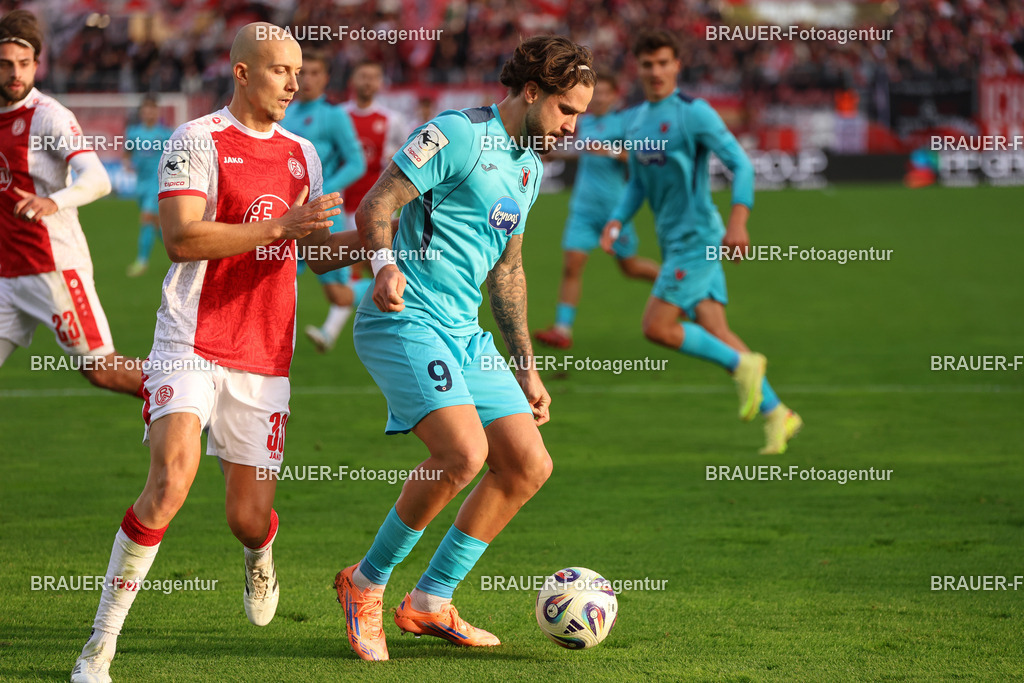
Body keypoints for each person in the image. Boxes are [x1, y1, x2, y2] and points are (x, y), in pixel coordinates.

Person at [71, 23, 361, 683]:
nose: (294, 83)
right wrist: (280, 224)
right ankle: (98, 649)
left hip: (265, 354)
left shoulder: (303, 155)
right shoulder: (196, 139)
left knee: (247, 516)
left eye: (298, 71)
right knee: (170, 480)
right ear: (241, 72)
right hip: (190, 341)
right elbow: (181, 238)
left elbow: (310, 252)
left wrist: (375, 245)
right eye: (280, 70)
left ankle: (260, 555)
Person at [335, 35, 595, 661]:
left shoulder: (530, 166)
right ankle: (363, 584)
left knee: (529, 465)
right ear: (531, 92)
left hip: (464, 333)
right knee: (463, 454)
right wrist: (382, 265)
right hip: (403, 320)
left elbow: (507, 270)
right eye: (567, 110)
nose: (572, 127)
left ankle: (429, 601)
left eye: (581, 116)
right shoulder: (457, 136)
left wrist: (527, 369)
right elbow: (378, 203)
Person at [601, 31, 802, 455]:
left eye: (662, 63)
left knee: (657, 327)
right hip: (674, 241)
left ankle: (743, 364)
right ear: (638, 69)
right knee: (714, 327)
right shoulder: (635, 120)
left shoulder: (695, 114)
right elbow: (638, 182)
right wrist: (616, 221)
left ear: (677, 66)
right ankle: (778, 414)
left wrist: (739, 222)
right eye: (647, 64)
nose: (655, 71)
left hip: (699, 239)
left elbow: (741, 166)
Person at [0, 9, 143, 397]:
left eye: (24, 64)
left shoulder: (49, 117)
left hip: (54, 268)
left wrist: (52, 201)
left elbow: (97, 179)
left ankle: (196, 396)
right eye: (6, 64)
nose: (16, 73)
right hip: (7, 276)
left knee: (104, 371)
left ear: (36, 65)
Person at [534, 71, 659, 349]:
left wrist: (612, 152)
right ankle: (562, 330)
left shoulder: (625, 123)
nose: (600, 97)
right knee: (571, 267)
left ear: (615, 96)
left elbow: (644, 158)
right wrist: (554, 151)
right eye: (596, 93)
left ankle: (676, 287)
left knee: (630, 267)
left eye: (605, 93)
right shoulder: (585, 121)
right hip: (583, 209)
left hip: (615, 211)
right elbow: (581, 151)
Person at [280, 48, 367, 352]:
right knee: (269, 282)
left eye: (315, 73)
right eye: (302, 73)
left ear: (326, 77)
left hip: (320, 218)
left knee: (340, 295)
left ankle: (403, 285)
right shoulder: (284, 112)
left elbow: (357, 162)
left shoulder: (334, 115)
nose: (307, 80)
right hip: (283, 217)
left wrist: (320, 193)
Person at [124, 95, 173, 277]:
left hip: (158, 183)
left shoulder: (166, 133)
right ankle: (179, 249)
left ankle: (141, 261)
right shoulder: (134, 132)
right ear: (141, 113)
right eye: (145, 110)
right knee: (155, 226)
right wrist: (127, 163)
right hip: (141, 185)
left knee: (146, 218)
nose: (149, 113)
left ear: (157, 112)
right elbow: (127, 153)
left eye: (152, 109)